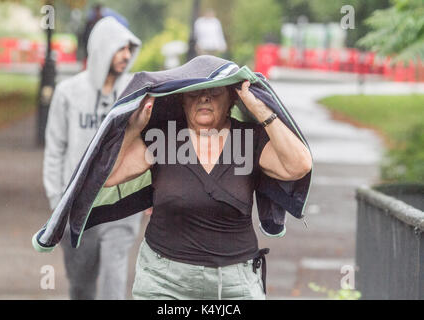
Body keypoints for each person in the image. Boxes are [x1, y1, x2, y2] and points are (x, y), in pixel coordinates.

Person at [104, 80, 312, 299]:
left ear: (232, 98)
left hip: (234, 283)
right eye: (194, 93)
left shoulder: (249, 138)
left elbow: (299, 166)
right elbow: (108, 177)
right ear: (182, 100)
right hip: (164, 281)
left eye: (214, 91)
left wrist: (262, 111)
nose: (204, 98)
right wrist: (133, 129)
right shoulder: (163, 137)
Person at [43, 16, 142, 300]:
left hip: (120, 204)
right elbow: (55, 149)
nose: (126, 56)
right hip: (77, 208)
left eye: (129, 49)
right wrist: (55, 202)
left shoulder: (135, 92)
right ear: (101, 48)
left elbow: (147, 143)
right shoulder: (68, 92)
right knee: (81, 285)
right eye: (120, 48)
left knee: (114, 281)